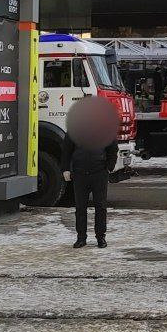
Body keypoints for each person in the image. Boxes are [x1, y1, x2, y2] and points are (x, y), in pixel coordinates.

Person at [59, 96, 120, 249]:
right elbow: (66, 151)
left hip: (99, 173)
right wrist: (65, 168)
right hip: (79, 174)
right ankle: (81, 238)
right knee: (80, 208)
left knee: (100, 207)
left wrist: (109, 167)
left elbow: (113, 149)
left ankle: (101, 238)